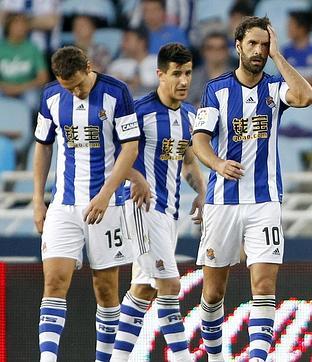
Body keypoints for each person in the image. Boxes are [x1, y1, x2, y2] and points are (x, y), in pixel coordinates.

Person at [192, 16, 312, 362]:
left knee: (263, 286)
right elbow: (199, 140)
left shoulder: (275, 89)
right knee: (213, 293)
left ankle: (258, 358)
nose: (259, 51)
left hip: (265, 201)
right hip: (223, 201)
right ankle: (216, 357)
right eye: (253, 44)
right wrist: (217, 164)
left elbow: (306, 96)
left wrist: (279, 56)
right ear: (238, 47)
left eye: (264, 45)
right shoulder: (216, 90)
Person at [32, 46, 139, 362]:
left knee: (106, 290)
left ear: (89, 67)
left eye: (79, 85)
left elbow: (130, 149)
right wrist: (39, 200)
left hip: (108, 206)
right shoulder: (51, 96)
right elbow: (43, 147)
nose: (76, 92)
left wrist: (105, 195)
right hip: (63, 205)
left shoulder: (116, 93)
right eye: (69, 87)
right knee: (53, 282)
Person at [111, 43, 205, 362]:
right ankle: (182, 357)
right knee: (170, 284)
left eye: (188, 73)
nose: (183, 80)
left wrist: (202, 192)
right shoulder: (139, 111)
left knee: (143, 289)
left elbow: (189, 160)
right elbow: (115, 156)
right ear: (160, 75)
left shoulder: (190, 116)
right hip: (141, 206)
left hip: (169, 212)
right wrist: (136, 178)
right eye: (176, 73)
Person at [0, 12, 49, 110]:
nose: (20, 28)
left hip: (27, 89)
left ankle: (30, 125)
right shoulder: (1, 48)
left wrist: (20, 88)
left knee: (32, 100)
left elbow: (43, 78)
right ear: (8, 26)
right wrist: (6, 87)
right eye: (17, 24)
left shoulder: (33, 48)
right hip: (3, 88)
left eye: (23, 25)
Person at [107, 27, 158, 98]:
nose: (122, 44)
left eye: (127, 40)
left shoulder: (157, 61)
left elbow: (161, 81)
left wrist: (136, 80)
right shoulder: (117, 64)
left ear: (141, 42)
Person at [188, 32, 232, 107]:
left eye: (220, 48)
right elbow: (185, 106)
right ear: (203, 51)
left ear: (227, 51)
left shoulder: (238, 78)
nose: (215, 52)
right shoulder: (192, 78)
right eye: (210, 48)